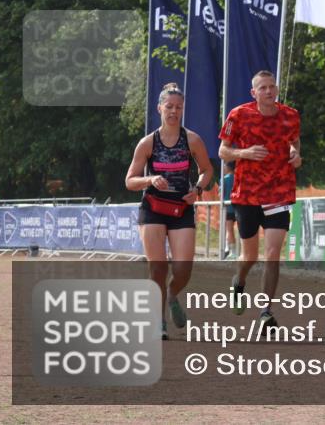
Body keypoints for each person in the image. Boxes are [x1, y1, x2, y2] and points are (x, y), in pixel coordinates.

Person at [125, 83, 213, 340]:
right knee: (158, 268)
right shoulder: (147, 143)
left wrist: (196, 189)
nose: (174, 111)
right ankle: (158, 320)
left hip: (181, 207)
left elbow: (207, 170)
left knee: (184, 268)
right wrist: (150, 180)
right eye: (169, 107)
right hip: (153, 207)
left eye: (178, 107)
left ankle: (173, 294)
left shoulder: (192, 140)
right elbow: (129, 181)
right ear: (159, 108)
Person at [218, 70, 301, 334]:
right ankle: (239, 280)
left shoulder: (290, 115)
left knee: (273, 254)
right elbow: (222, 151)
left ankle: (266, 311)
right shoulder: (239, 115)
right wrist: (245, 153)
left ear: (276, 90)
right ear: (253, 93)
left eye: (271, 86)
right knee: (250, 256)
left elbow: (295, 143)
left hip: (279, 191)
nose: (268, 91)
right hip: (248, 194)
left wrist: (295, 155)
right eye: (262, 88)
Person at [221, 161, 237, 259]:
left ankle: (233, 251)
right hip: (238, 208)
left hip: (228, 209)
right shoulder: (238, 179)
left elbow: (220, 195)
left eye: (225, 165)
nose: (223, 168)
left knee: (229, 230)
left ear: (228, 167)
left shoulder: (224, 179)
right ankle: (228, 249)